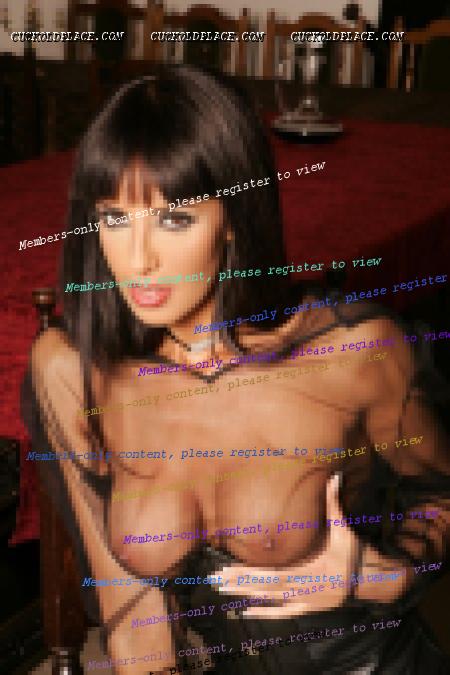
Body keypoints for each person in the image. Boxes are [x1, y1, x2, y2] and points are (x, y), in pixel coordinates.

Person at [25, 65, 450, 674]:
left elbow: (440, 494)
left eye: (174, 219)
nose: (138, 260)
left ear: (232, 221)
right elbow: (132, 614)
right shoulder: (73, 366)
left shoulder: (353, 352)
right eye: (115, 218)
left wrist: (382, 575)